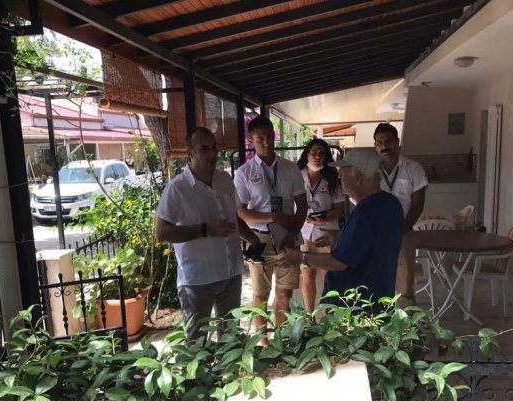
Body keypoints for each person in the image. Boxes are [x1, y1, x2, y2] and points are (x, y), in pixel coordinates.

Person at [155, 127, 259, 340]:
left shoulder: (224, 179)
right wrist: (205, 229)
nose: (212, 154)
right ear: (190, 153)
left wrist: (252, 238)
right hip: (198, 279)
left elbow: (233, 217)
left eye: (214, 148)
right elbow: (162, 233)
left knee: (230, 339)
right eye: (204, 149)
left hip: (230, 273)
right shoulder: (177, 188)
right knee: (197, 343)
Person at [284, 148, 403, 308]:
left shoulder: (366, 211)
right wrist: (339, 239)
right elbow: (369, 245)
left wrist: (301, 258)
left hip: (355, 306)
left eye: (343, 174)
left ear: (358, 177)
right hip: (380, 298)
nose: (339, 179)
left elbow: (339, 262)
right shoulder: (391, 203)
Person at [234, 116, 307, 330]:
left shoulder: (290, 168)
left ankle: (281, 340)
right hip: (259, 239)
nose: (266, 142)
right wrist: (273, 217)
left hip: (288, 237)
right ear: (251, 140)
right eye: (260, 138)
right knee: (260, 296)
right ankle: (262, 341)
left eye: (269, 137)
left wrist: (293, 234)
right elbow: (241, 212)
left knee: (284, 294)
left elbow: (302, 206)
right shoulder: (244, 173)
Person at [373, 123, 428, 307]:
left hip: (404, 232)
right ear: (375, 146)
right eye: (379, 142)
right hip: (377, 235)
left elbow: (418, 205)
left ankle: (406, 324)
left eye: (388, 141)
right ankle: (381, 322)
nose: (384, 146)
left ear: (397, 142)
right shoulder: (370, 170)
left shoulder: (413, 168)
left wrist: (400, 230)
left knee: (405, 287)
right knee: (378, 284)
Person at [297, 139, 345, 312]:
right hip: (304, 232)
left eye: (321, 153)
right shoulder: (297, 175)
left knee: (328, 275)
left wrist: (323, 219)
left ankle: (330, 313)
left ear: (326, 156)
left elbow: (339, 208)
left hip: (326, 232)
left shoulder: (332, 178)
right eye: (314, 153)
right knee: (307, 275)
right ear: (307, 155)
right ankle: (309, 315)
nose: (317, 156)